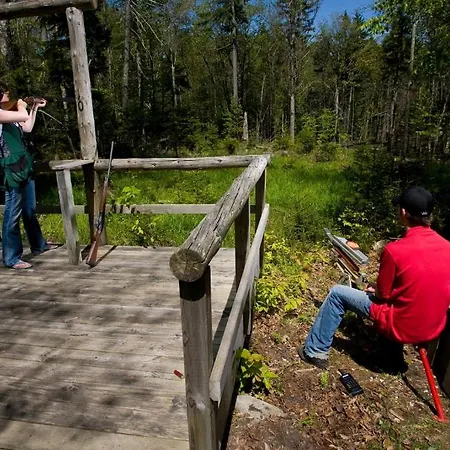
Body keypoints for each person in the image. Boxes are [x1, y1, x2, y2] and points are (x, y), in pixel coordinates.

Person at [298, 186, 450, 370]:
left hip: (401, 325)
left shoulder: (395, 250)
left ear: (403, 212)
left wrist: (374, 288)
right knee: (405, 299)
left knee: (337, 293)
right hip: (433, 327)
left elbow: (383, 294)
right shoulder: (447, 246)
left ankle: (315, 351)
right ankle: (391, 357)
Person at [0, 82, 54, 269]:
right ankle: (11, 257)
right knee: (12, 213)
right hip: (11, 171)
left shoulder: (9, 114)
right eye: (5, 93)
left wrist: (34, 107)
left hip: (23, 167)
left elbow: (27, 126)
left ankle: (38, 244)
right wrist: (22, 105)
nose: (8, 95)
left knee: (29, 209)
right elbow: (22, 115)